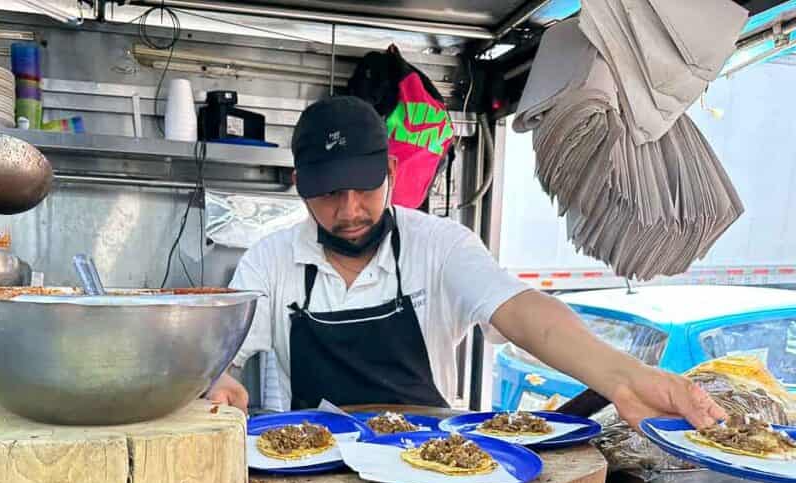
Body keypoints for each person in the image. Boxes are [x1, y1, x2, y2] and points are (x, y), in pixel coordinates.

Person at [209, 96, 724, 429]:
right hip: (310, 469)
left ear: (390, 170)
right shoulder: (270, 260)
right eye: (327, 193)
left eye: (364, 188)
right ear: (300, 187)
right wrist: (217, 380)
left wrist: (623, 378)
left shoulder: (441, 245)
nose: (348, 212)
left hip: (430, 464)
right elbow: (219, 351)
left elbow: (524, 314)